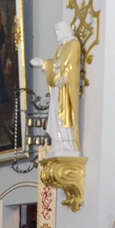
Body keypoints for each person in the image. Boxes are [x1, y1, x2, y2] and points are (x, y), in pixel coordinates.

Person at [30, 21, 82, 155]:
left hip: (64, 87)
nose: (57, 34)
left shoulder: (73, 44)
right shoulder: (61, 48)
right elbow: (55, 64)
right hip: (57, 88)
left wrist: (64, 77)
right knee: (55, 114)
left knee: (63, 114)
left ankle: (67, 144)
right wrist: (43, 63)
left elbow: (71, 65)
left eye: (58, 31)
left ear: (65, 31)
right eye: (55, 32)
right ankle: (58, 144)